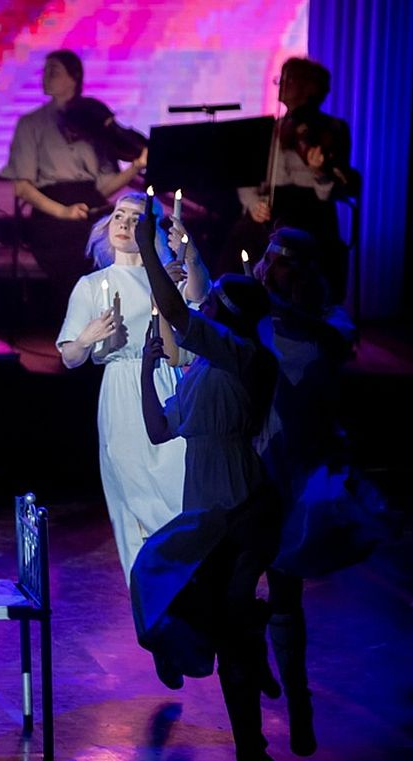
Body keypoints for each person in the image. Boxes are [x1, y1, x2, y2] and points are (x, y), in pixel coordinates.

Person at [130, 194, 282, 761]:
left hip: (240, 505)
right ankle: (248, 663)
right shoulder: (202, 371)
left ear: (228, 314)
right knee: (176, 594)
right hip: (204, 509)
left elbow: (178, 311)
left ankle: (251, 739)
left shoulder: (245, 357)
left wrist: (149, 250)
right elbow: (158, 430)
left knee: (230, 621)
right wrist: (146, 370)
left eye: (213, 300)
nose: (205, 303)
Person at [253, 227, 391, 757]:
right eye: (270, 259)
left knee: (285, 588)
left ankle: (298, 703)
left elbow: (335, 346)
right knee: (236, 580)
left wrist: (281, 308)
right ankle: (256, 659)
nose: (272, 269)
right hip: (255, 457)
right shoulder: (253, 313)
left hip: (300, 467)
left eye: (283, 262)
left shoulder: (330, 320)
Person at [56, 191, 209, 584]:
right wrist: (87, 338)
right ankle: (147, 587)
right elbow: (70, 356)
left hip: (166, 383)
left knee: (179, 479)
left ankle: (193, 576)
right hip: (122, 391)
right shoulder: (92, 285)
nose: (123, 224)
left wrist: (190, 257)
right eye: (118, 216)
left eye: (134, 218)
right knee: (131, 491)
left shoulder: (168, 273)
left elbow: (199, 299)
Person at [1, 49, 147, 318]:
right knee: (72, 258)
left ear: (74, 77)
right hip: (51, 211)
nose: (46, 77)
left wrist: (136, 166)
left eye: (54, 71)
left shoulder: (92, 120)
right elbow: (23, 188)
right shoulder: (30, 123)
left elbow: (102, 188)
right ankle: (78, 327)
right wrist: (63, 212)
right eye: (45, 71)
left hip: (89, 205)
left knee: (115, 247)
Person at [230, 57, 359, 304]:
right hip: (270, 206)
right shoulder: (270, 128)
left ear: (306, 87)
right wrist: (253, 203)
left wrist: (319, 172)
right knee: (240, 236)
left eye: (287, 80)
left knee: (306, 246)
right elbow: (247, 178)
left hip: (311, 209)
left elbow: (330, 192)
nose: (280, 84)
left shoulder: (333, 129)